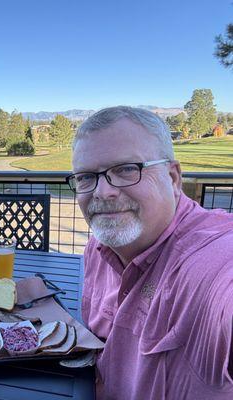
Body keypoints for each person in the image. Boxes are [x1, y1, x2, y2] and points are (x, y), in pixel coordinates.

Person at [66, 106, 233, 399]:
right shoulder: (97, 246)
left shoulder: (210, 262)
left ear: (173, 177)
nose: (102, 192)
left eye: (127, 169)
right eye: (85, 177)